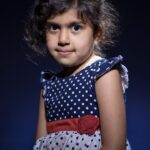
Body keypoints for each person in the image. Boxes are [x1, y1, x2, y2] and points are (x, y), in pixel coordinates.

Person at [25, 0, 131, 149]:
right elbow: (40, 144)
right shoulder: (48, 86)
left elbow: (114, 146)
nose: (63, 39)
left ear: (97, 33)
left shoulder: (103, 73)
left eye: (75, 27)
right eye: (54, 27)